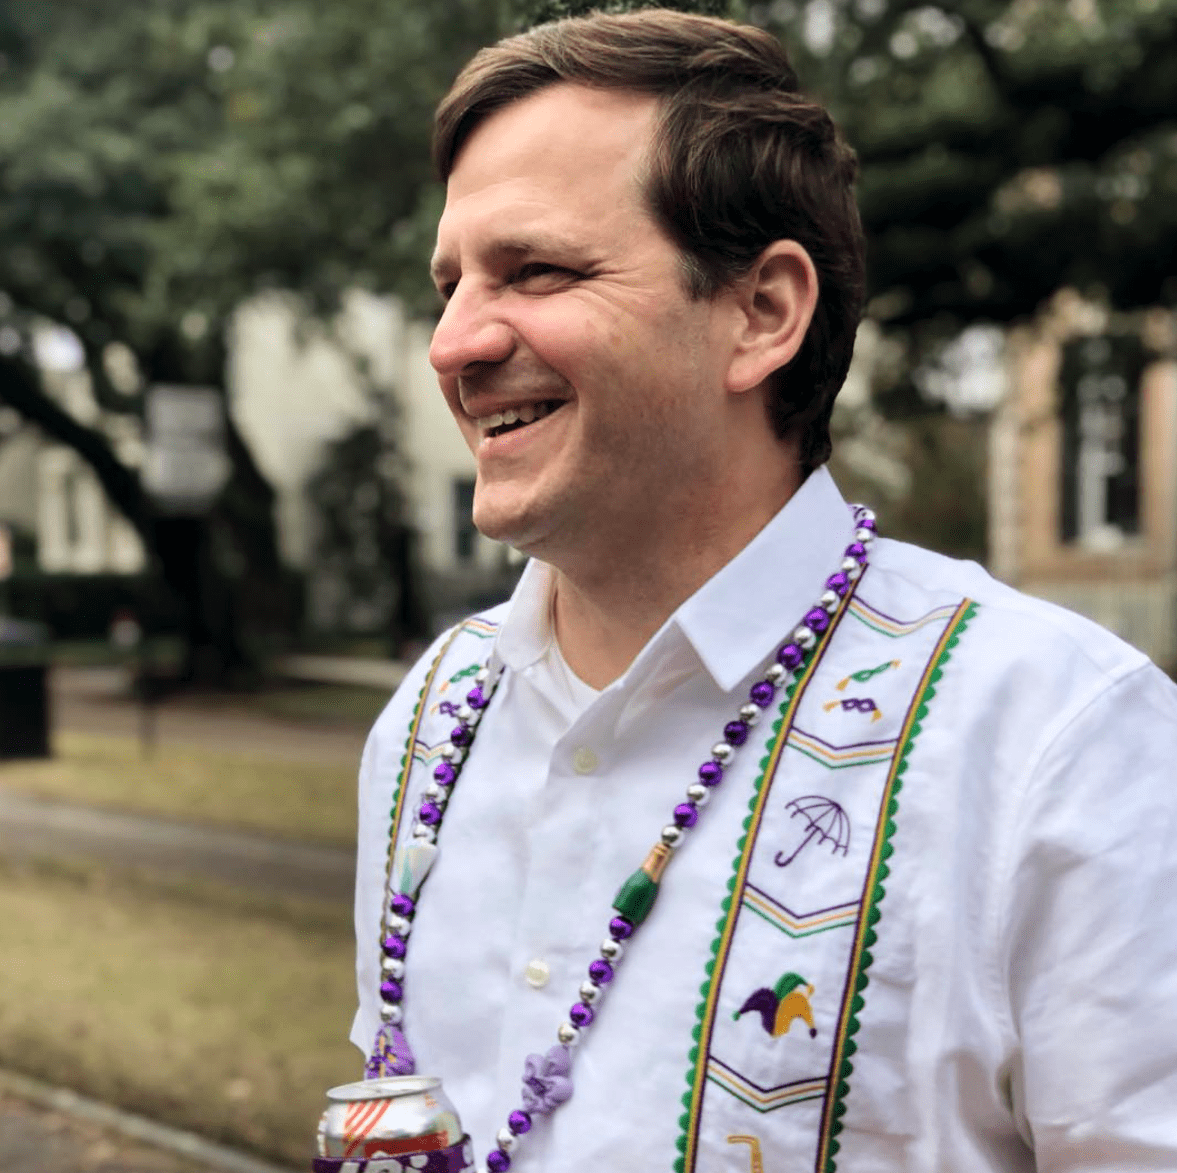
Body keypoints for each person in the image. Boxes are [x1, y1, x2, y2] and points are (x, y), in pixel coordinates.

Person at [351, 10, 1177, 1172]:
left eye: (534, 270)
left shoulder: (1054, 742)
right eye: (450, 284)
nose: (452, 344)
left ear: (762, 312)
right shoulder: (429, 723)